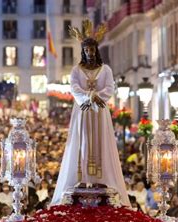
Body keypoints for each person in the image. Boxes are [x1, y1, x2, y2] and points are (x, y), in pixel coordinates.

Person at [51, 20, 130, 206]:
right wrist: (89, 97)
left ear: (96, 50)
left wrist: (96, 97)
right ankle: (83, 176)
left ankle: (101, 177)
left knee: (101, 142)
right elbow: (74, 88)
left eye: (92, 50)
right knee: (83, 141)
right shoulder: (76, 70)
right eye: (87, 50)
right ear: (83, 51)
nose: (90, 53)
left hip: (99, 111)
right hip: (83, 111)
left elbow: (109, 87)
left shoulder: (106, 69)